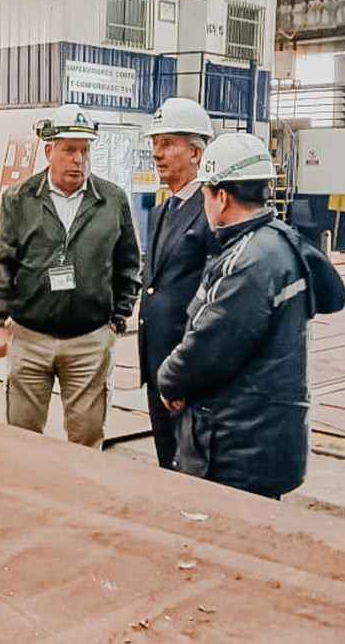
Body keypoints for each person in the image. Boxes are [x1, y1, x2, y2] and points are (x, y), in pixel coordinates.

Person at [157, 132, 345, 498]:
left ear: (222, 197)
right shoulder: (283, 240)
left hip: (237, 447)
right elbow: (333, 295)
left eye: (206, 194)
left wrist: (170, 380)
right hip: (268, 436)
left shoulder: (248, 261)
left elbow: (210, 348)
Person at [0, 104, 142, 448]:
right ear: (49, 150)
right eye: (69, 150)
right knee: (22, 436)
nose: (78, 160)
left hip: (90, 341)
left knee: (86, 439)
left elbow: (129, 263)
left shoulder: (111, 200)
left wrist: (118, 318)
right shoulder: (19, 199)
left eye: (84, 150)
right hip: (29, 338)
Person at [137, 97, 220, 469]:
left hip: (188, 368)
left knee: (190, 465)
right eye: (155, 143)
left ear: (197, 153)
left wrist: (192, 365)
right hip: (157, 362)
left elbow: (214, 298)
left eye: (168, 144)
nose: (157, 153)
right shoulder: (161, 211)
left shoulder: (210, 213)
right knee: (165, 460)